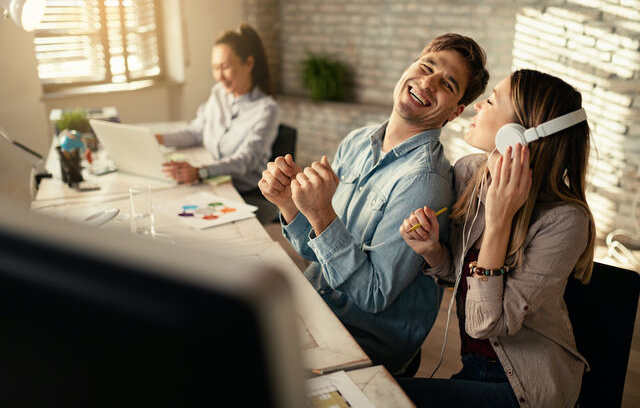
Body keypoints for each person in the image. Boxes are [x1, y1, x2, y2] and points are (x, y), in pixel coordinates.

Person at [259, 34, 490, 375]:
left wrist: (322, 215)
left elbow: (372, 295)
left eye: (446, 84)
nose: (427, 82)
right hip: (315, 308)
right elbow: (319, 253)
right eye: (425, 67)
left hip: (359, 342)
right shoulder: (357, 141)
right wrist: (289, 205)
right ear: (409, 67)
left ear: (456, 112)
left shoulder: (424, 181)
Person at [397, 69, 595, 407]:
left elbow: (482, 323)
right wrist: (433, 251)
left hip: (528, 389)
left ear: (517, 135)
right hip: (473, 368)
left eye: (490, 101)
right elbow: (460, 277)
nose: (476, 106)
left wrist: (500, 220)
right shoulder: (470, 174)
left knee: (386, 396)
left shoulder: (565, 221)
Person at [157, 23, 279, 222]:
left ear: (249, 63)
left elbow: (245, 160)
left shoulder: (267, 109)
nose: (219, 76)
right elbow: (196, 131)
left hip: (243, 194)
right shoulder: (218, 93)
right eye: (215, 68)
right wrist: (157, 138)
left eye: (225, 67)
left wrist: (200, 172)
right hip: (210, 183)